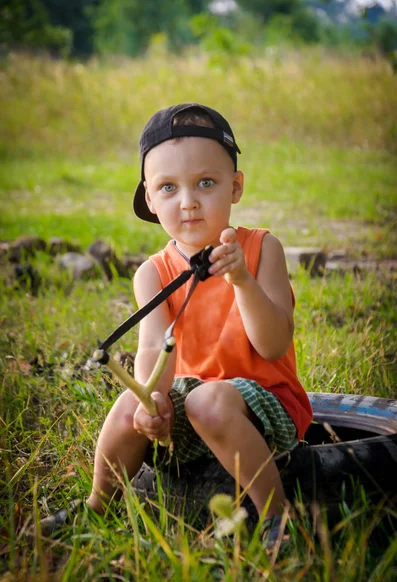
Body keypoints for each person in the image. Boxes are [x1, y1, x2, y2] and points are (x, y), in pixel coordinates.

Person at [83, 103, 313, 546]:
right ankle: (95, 506)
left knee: (207, 402)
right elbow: (153, 348)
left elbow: (272, 344)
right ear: (150, 198)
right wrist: (154, 400)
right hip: (194, 404)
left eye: (205, 183)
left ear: (235, 187)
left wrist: (241, 280)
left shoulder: (262, 250)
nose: (187, 201)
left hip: (269, 403)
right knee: (130, 409)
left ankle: (277, 517)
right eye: (168, 187)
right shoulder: (153, 273)